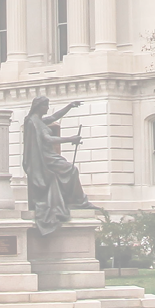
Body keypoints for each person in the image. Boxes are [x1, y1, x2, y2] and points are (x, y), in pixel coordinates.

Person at [22, 96, 98, 236]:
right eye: (46, 105)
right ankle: (79, 201)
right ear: (39, 106)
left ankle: (74, 200)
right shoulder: (33, 122)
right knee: (71, 170)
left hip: (48, 156)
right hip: (44, 158)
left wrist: (69, 106)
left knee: (70, 171)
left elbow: (54, 116)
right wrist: (70, 139)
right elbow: (48, 139)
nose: (48, 107)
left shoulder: (39, 121)